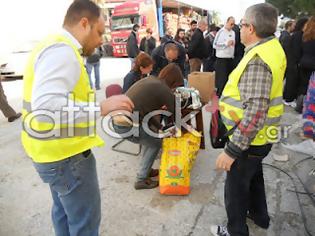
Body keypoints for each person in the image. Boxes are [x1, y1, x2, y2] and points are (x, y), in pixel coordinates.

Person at [21, 1, 134, 235]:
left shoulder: (53, 45)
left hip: (50, 153)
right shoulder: (62, 50)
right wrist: (101, 107)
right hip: (66, 158)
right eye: (100, 32)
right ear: (85, 23)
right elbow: (46, 105)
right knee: (84, 223)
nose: (102, 40)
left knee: (63, 214)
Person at [211, 3, 286, 236]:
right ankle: (259, 216)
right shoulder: (272, 47)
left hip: (249, 140)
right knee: (254, 177)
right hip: (261, 138)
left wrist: (232, 150)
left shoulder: (257, 60)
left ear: (250, 28)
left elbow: (255, 112)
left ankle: (235, 231)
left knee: (236, 188)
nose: (239, 29)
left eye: (242, 24)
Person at [112, 63, 184, 189]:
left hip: (118, 120)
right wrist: (180, 132)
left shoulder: (151, 80)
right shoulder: (164, 89)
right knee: (156, 142)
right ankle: (141, 179)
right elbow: (177, 113)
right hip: (126, 125)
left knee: (150, 138)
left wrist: (160, 128)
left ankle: (146, 169)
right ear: (175, 81)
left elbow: (148, 113)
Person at [283, 18, 308, 107]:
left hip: (292, 61)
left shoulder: (296, 34)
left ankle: (288, 98)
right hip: (294, 62)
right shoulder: (298, 35)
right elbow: (296, 50)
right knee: (292, 81)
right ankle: (288, 99)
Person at [296, 16, 315, 113]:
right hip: (313, 65)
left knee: (303, 86)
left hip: (304, 63)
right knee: (312, 87)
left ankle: (300, 106)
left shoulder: (305, 36)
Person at [213, 16, 236, 97]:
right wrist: (226, 44)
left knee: (228, 80)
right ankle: (219, 97)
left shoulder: (233, 33)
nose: (232, 26)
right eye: (231, 24)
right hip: (221, 59)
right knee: (221, 81)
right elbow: (215, 45)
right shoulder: (221, 32)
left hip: (230, 58)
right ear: (226, 22)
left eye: (233, 24)